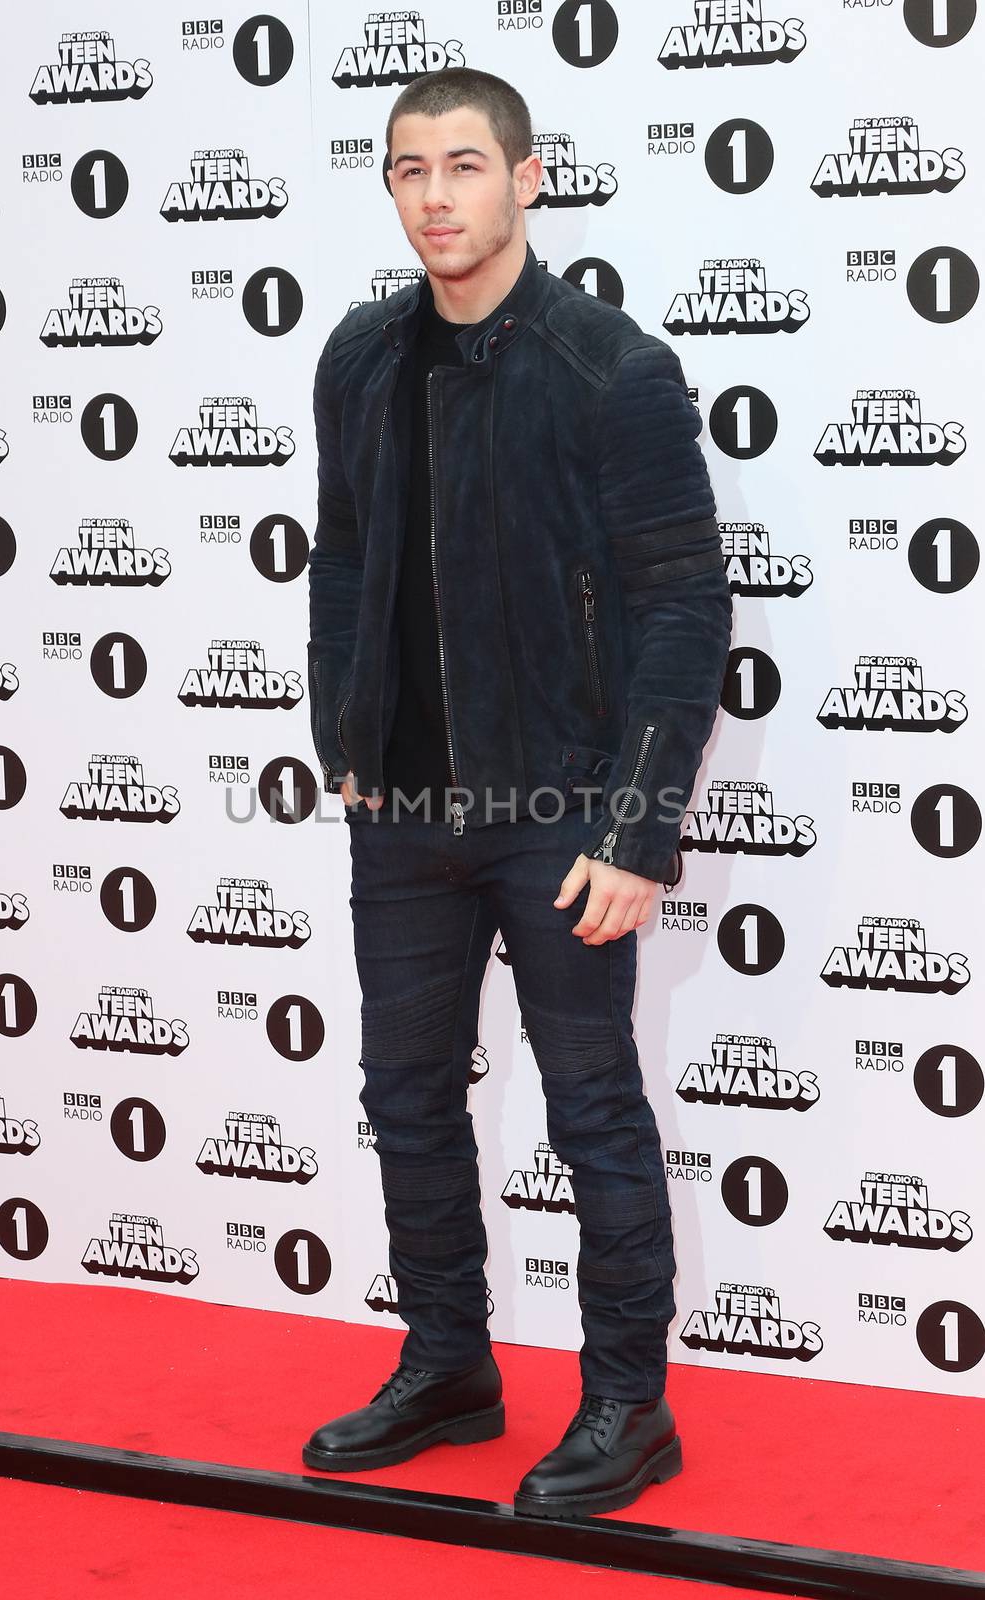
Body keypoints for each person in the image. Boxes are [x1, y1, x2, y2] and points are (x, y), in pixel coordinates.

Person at [302, 66, 732, 1518]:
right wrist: (342, 739)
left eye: (466, 166)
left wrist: (638, 829)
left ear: (529, 178)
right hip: (403, 820)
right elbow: (344, 560)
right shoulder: (357, 357)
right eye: (411, 169)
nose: (437, 196)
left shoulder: (611, 367)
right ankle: (448, 1365)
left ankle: (628, 1406)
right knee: (407, 1100)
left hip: (561, 817)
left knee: (592, 1108)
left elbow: (682, 611)